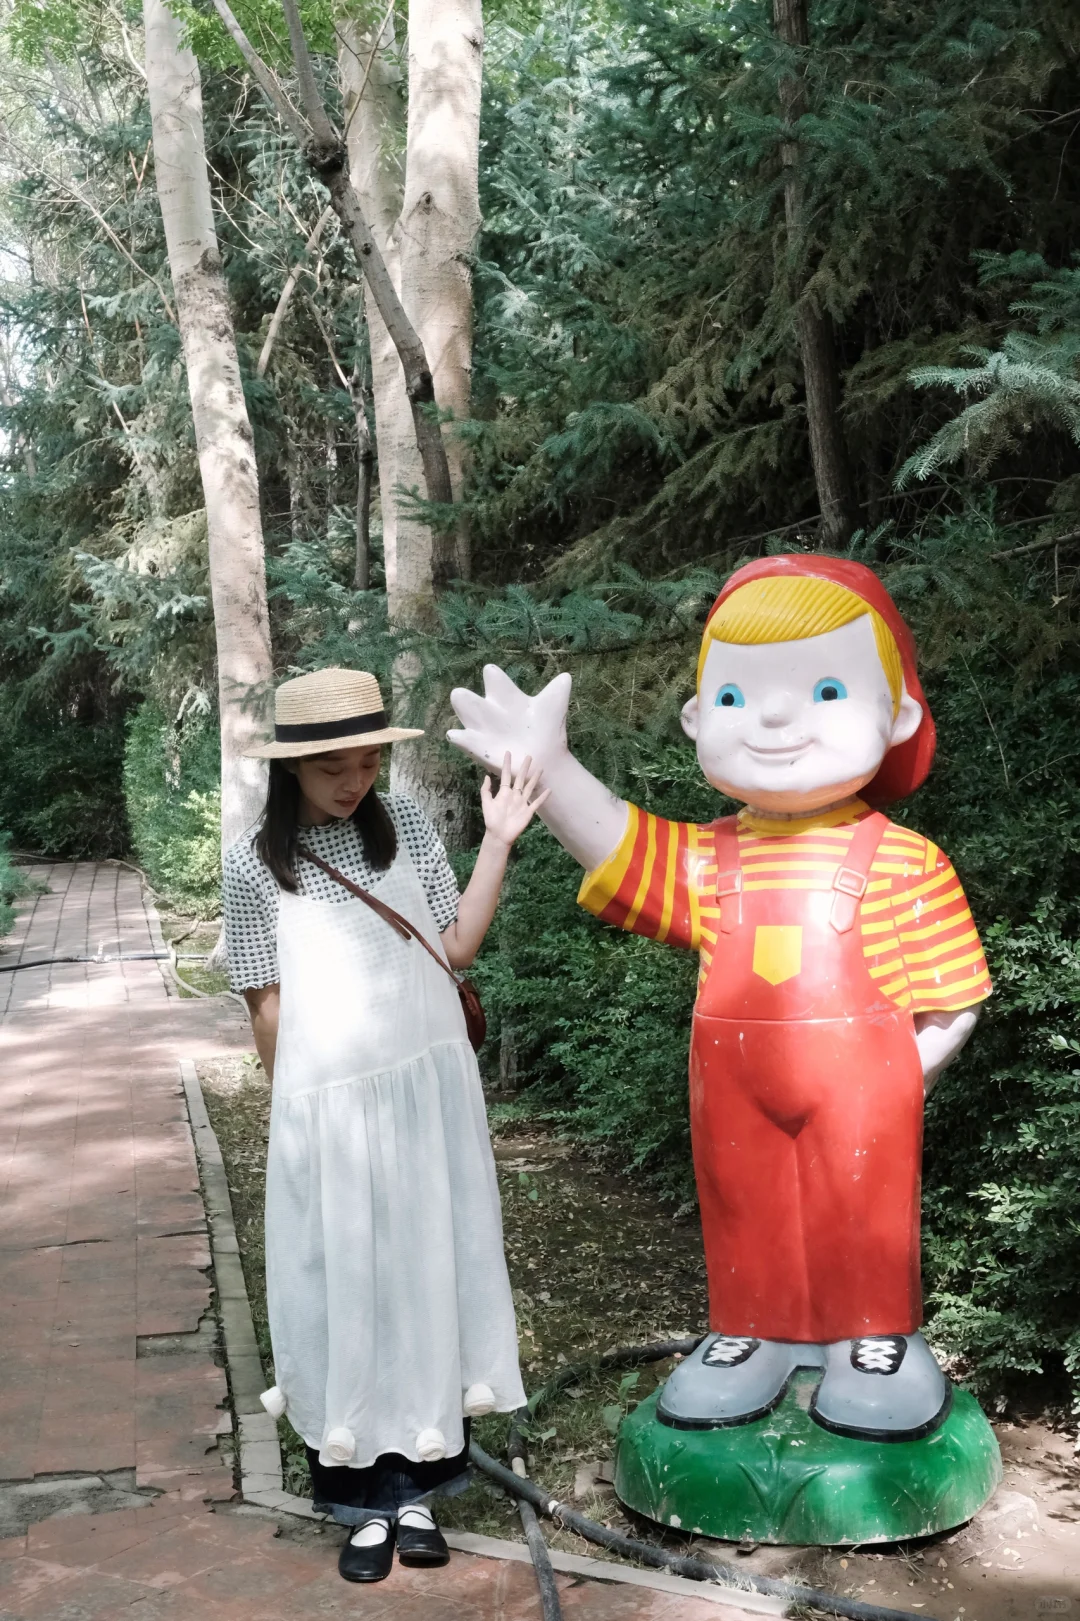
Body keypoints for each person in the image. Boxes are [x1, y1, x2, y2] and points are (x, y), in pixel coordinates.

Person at [448, 554, 991, 1442]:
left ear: (897, 713)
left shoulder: (904, 863)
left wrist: (903, 1078)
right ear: (699, 717)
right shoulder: (709, 858)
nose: (774, 717)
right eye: (735, 697)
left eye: (824, 689)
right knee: (741, 1199)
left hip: (865, 1096)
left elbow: (954, 998)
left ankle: (875, 1335)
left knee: (862, 1206)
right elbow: (619, 845)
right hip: (732, 1090)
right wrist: (551, 768)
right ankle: (750, 1327)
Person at [223, 667, 545, 1583]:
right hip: (329, 1109)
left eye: (367, 762)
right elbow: (266, 1003)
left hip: (426, 1095)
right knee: (345, 1289)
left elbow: (456, 945)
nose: (354, 781)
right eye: (335, 767)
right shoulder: (254, 862)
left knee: (425, 1276)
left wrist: (499, 840)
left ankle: (416, 1494)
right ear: (292, 766)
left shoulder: (401, 825)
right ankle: (361, 1501)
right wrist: (292, 1116)